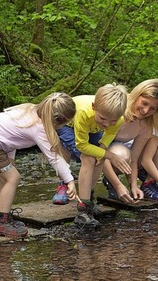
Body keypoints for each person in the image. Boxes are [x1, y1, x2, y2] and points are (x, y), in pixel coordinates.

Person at [0, 92, 78, 238]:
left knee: (6, 178)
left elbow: (9, 135)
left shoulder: (30, 110)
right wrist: (69, 180)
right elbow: (54, 158)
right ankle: (1, 221)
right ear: (57, 121)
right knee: (12, 178)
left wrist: (10, 159)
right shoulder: (39, 128)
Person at [56, 84, 130, 227]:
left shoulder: (116, 118)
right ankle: (83, 210)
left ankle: (88, 197)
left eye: (112, 121)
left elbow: (110, 133)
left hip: (93, 128)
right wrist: (110, 155)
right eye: (103, 118)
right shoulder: (84, 112)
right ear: (94, 106)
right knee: (88, 158)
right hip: (68, 126)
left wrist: (102, 149)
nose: (107, 123)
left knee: (99, 158)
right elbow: (82, 145)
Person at [101, 79, 158, 202]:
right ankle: (112, 181)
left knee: (126, 156)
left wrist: (134, 186)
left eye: (152, 108)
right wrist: (118, 185)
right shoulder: (117, 108)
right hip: (93, 147)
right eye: (144, 103)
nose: (146, 111)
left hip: (116, 149)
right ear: (136, 96)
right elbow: (98, 152)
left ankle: (113, 180)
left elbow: (134, 158)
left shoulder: (147, 124)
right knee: (122, 156)